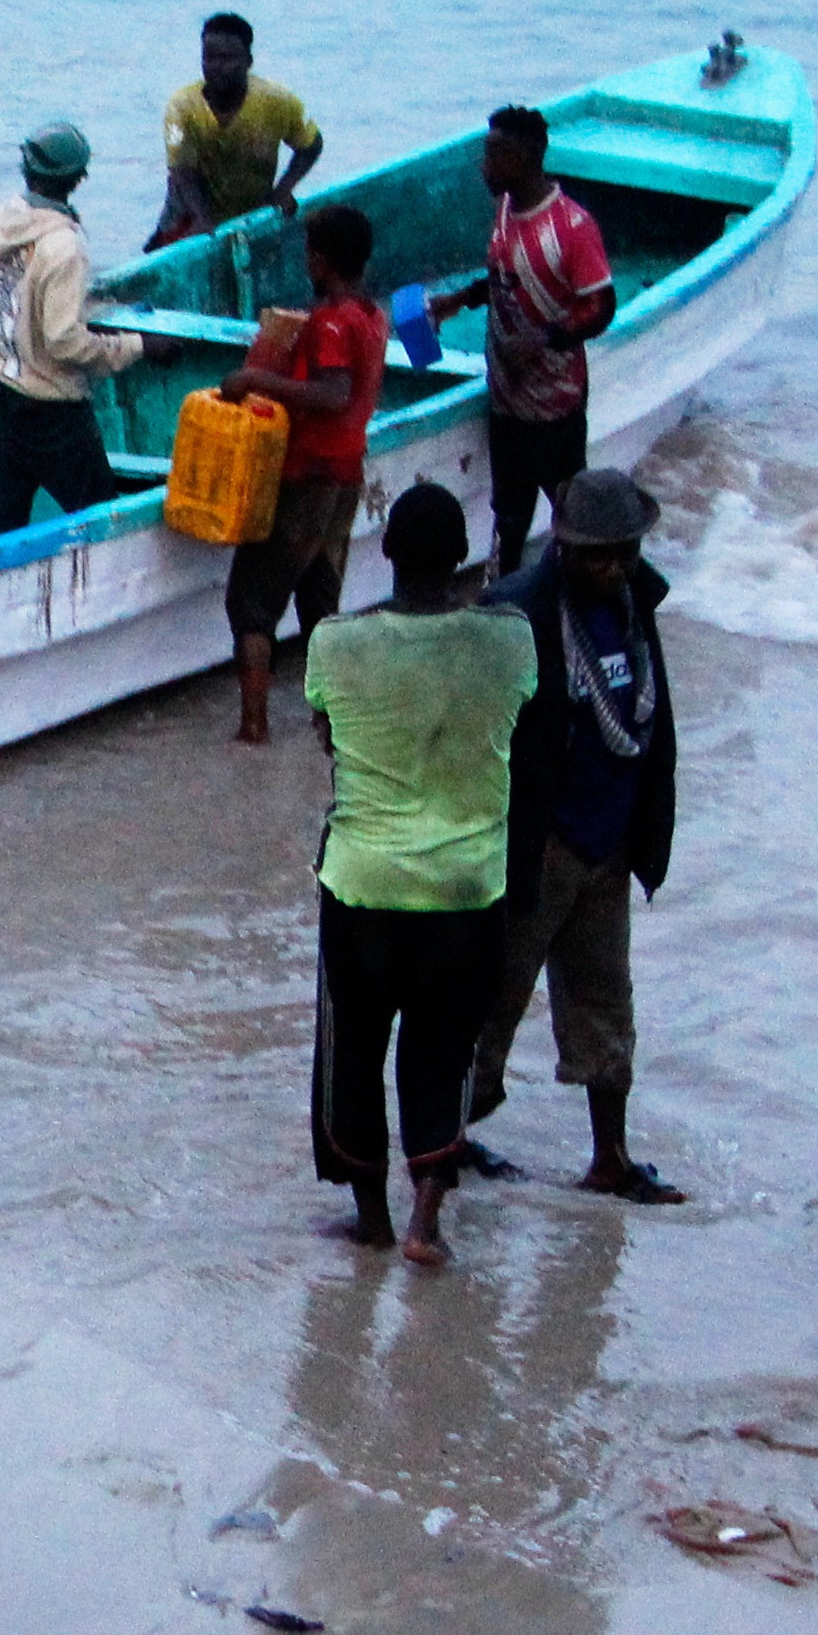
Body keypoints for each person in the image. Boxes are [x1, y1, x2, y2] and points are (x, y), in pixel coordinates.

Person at [307, 481, 537, 1266]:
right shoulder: (509, 641)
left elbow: (328, 731)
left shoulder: (335, 643)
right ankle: (425, 1219)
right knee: (444, 1050)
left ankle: (370, 1218)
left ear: (387, 553)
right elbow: (518, 716)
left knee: (354, 1052)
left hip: (363, 885)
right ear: (461, 557)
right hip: (467, 889)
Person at [463, 467, 686, 1205]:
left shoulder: (636, 603)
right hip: (534, 847)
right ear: (562, 546)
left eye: (625, 551)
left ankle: (610, 1159)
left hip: (608, 845)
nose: (613, 566)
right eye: (598, 554)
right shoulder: (512, 614)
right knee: (489, 1002)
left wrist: (644, 835)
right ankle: (444, 1143)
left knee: (606, 1002)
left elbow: (650, 724)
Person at [215, 205, 389, 743]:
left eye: (310, 253)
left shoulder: (332, 322)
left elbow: (333, 394)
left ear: (321, 259)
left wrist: (256, 380)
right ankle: (330, 721)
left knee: (252, 601)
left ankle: (254, 725)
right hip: (345, 476)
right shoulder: (372, 315)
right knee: (320, 601)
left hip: (308, 475)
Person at [427, 105, 616, 571]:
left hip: (555, 403)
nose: (484, 166)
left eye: (495, 155)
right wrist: (460, 300)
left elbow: (601, 307)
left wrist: (544, 341)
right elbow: (503, 276)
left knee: (569, 511)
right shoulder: (505, 209)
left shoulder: (572, 228)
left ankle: (585, 586)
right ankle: (503, 592)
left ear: (525, 158)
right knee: (508, 515)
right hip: (506, 400)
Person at [0, 118, 154, 537]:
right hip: (52, 410)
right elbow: (64, 341)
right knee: (99, 516)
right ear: (78, 178)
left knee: (0, 519)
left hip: (2, 394)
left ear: (26, 169)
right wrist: (137, 346)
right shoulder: (65, 245)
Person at [149, 12, 324, 251]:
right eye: (209, 58)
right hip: (189, 212)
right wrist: (202, 217)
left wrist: (284, 188)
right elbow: (182, 170)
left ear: (248, 61)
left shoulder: (277, 101)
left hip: (251, 208)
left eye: (227, 58)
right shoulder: (182, 107)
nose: (217, 67)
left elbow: (311, 145)